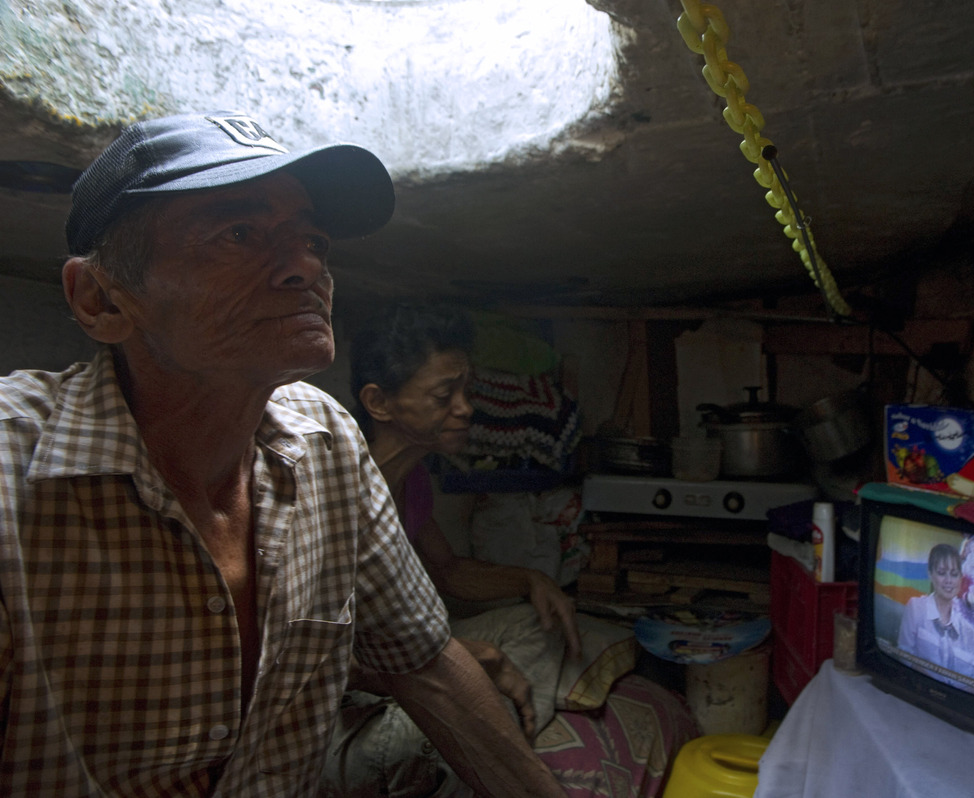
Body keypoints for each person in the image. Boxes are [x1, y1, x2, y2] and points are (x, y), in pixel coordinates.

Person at [0, 111, 565, 798]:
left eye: (314, 240)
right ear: (100, 299)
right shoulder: (12, 470)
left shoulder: (328, 445)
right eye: (239, 234)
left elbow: (424, 662)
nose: (307, 267)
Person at [320, 303, 582, 797]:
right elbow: (326, 662)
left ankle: (501, 732)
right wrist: (465, 661)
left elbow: (447, 569)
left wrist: (531, 581)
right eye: (445, 394)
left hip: (401, 671)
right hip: (338, 710)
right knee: (459, 713)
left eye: (467, 392)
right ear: (379, 403)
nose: (465, 408)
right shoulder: (337, 495)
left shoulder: (412, 480)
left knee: (536, 625)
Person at [897, 543, 974, 682]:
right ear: (930, 574)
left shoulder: (971, 632)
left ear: (961, 578)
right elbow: (904, 655)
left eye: (954, 574)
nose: (949, 581)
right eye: (941, 573)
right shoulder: (916, 607)